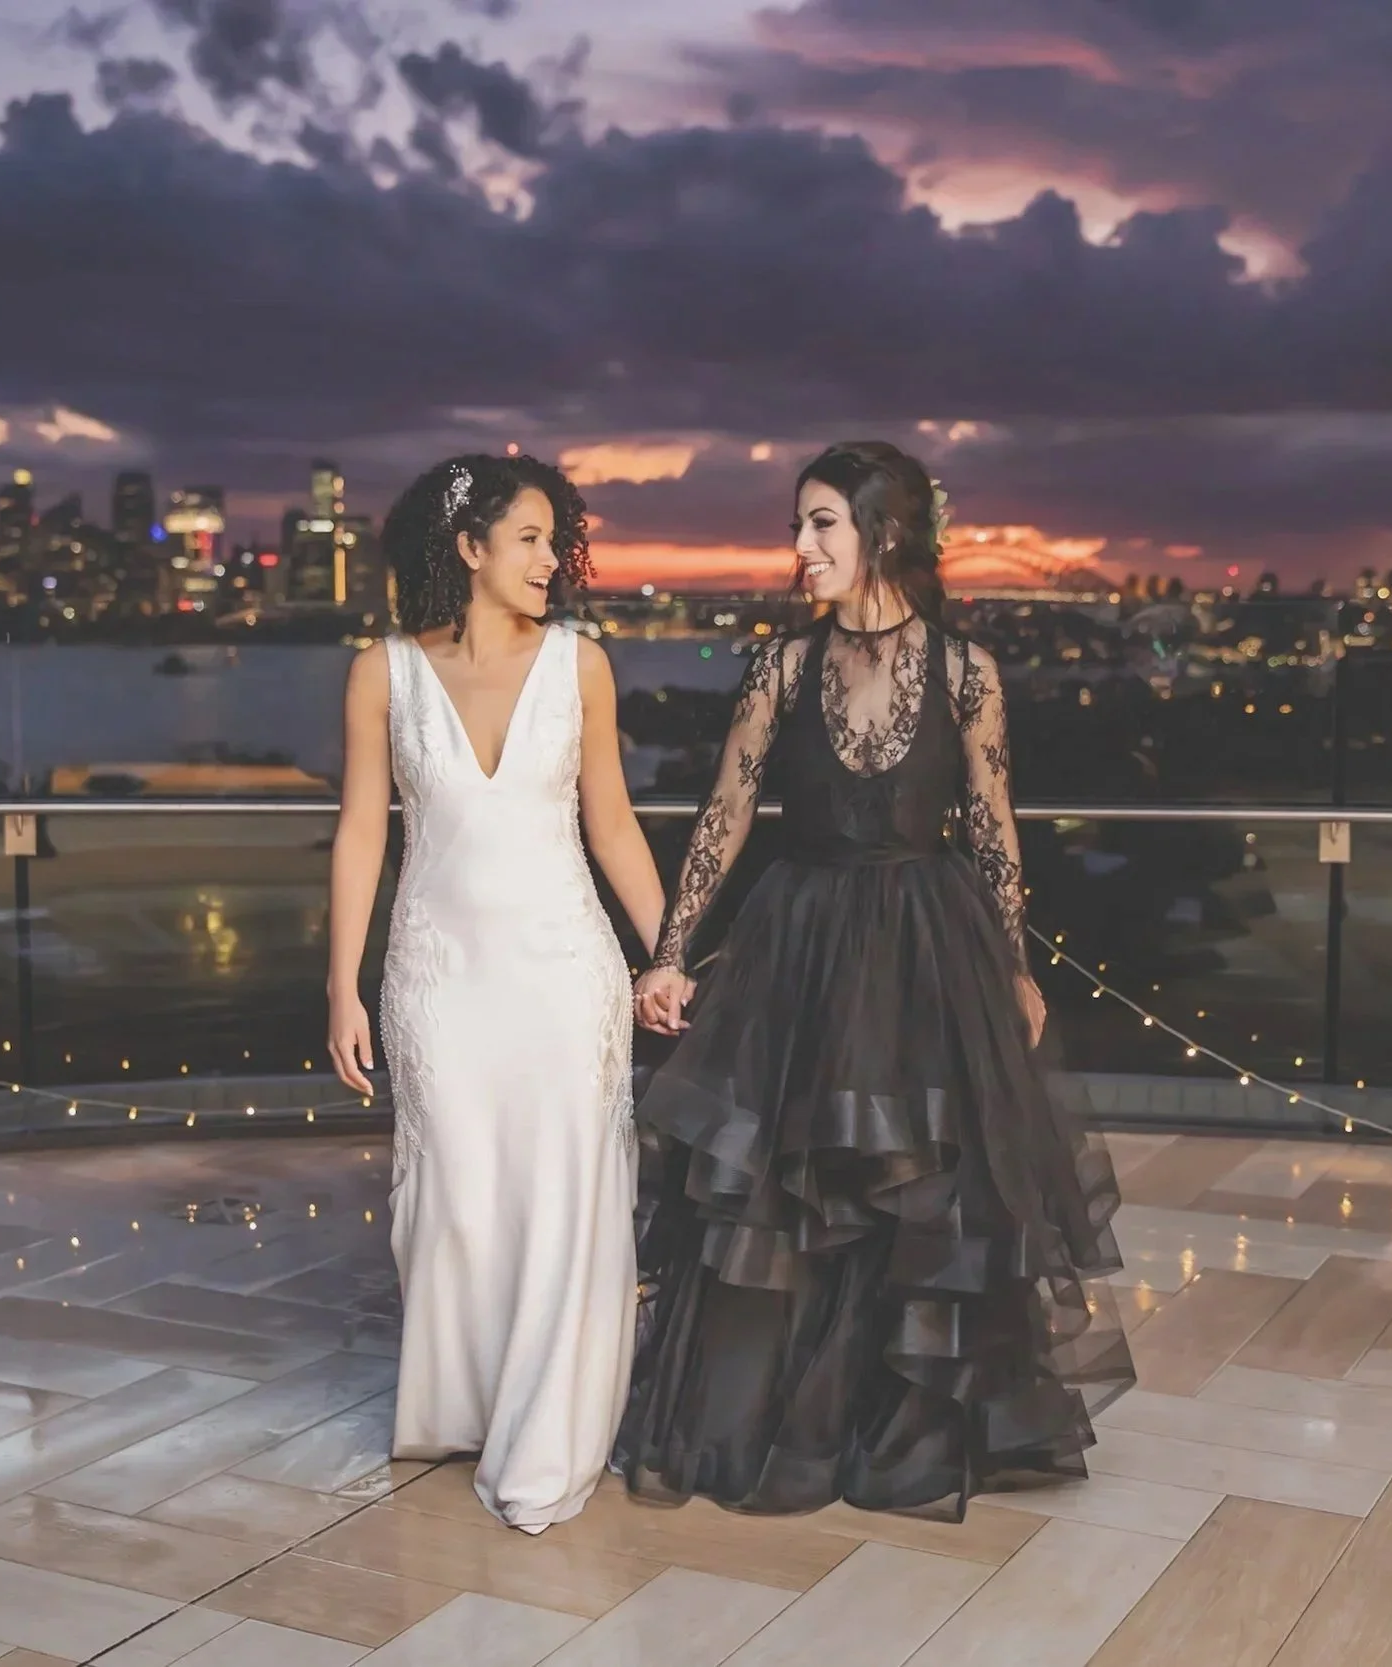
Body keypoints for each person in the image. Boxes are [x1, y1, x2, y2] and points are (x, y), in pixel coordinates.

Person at [616, 440, 1132, 1520]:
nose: (799, 546)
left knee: (917, 1193)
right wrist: (669, 948)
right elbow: (725, 812)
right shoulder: (779, 665)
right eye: (798, 524)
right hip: (796, 942)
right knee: (790, 1195)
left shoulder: (965, 671)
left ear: (882, 531)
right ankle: (788, 1427)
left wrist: (1014, 965)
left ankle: (897, 1431)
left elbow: (993, 831)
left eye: (820, 524)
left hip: (924, 946)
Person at [327, 452, 668, 1533]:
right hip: (435, 976)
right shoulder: (382, 670)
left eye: (555, 541)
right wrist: (341, 984)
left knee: (566, 1194)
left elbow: (610, 822)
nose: (550, 561)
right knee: (459, 1205)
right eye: (527, 539)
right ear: (466, 548)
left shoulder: (584, 664)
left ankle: (547, 1435)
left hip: (565, 973)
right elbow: (359, 833)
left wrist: (669, 949)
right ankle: (467, 1404)